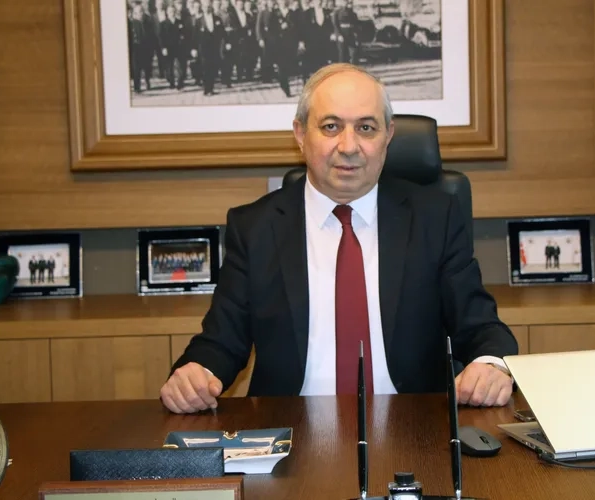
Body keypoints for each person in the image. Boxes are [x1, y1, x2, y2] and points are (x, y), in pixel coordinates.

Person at [160, 63, 518, 414]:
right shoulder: (255, 227)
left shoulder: (434, 218)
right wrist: (195, 375)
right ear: (300, 134)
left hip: (413, 427)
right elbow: (222, 341)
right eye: (331, 127)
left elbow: (481, 327)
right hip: (289, 428)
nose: (349, 146)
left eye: (366, 128)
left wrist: (491, 365)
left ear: (388, 135)